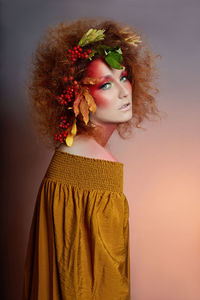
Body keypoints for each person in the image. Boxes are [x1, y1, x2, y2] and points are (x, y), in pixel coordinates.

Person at [22, 18, 160, 300]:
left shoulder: (67, 158)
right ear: (77, 95)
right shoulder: (96, 173)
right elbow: (104, 285)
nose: (124, 92)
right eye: (106, 85)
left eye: (124, 78)